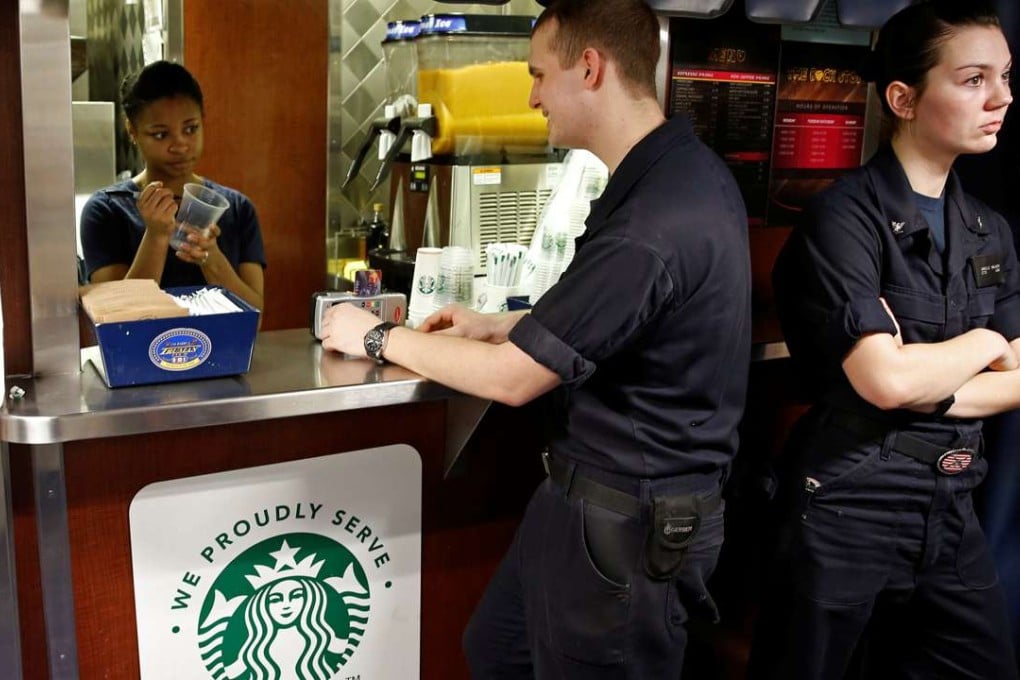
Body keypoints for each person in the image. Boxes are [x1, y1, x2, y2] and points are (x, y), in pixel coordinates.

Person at [319, 0, 751, 676]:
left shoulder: (656, 218)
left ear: (590, 67)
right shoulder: (676, 172)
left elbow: (513, 379)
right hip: (587, 504)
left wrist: (375, 336)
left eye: (538, 75)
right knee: (498, 648)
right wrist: (501, 324)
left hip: (625, 524)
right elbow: (629, 316)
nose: (530, 96)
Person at [749, 2, 1020, 678]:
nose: (1002, 97)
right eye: (973, 79)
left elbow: (1015, 379)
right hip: (850, 503)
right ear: (903, 98)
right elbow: (885, 381)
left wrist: (925, 384)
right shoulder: (845, 219)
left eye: (1006, 77)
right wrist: (982, 340)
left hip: (953, 501)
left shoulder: (990, 230)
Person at [80, 60, 265, 312]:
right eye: (160, 134)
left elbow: (255, 321)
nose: (180, 145)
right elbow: (117, 318)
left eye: (190, 129)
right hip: (139, 352)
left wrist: (211, 258)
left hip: (224, 351)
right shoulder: (107, 211)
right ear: (132, 131)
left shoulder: (237, 209)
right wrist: (156, 236)